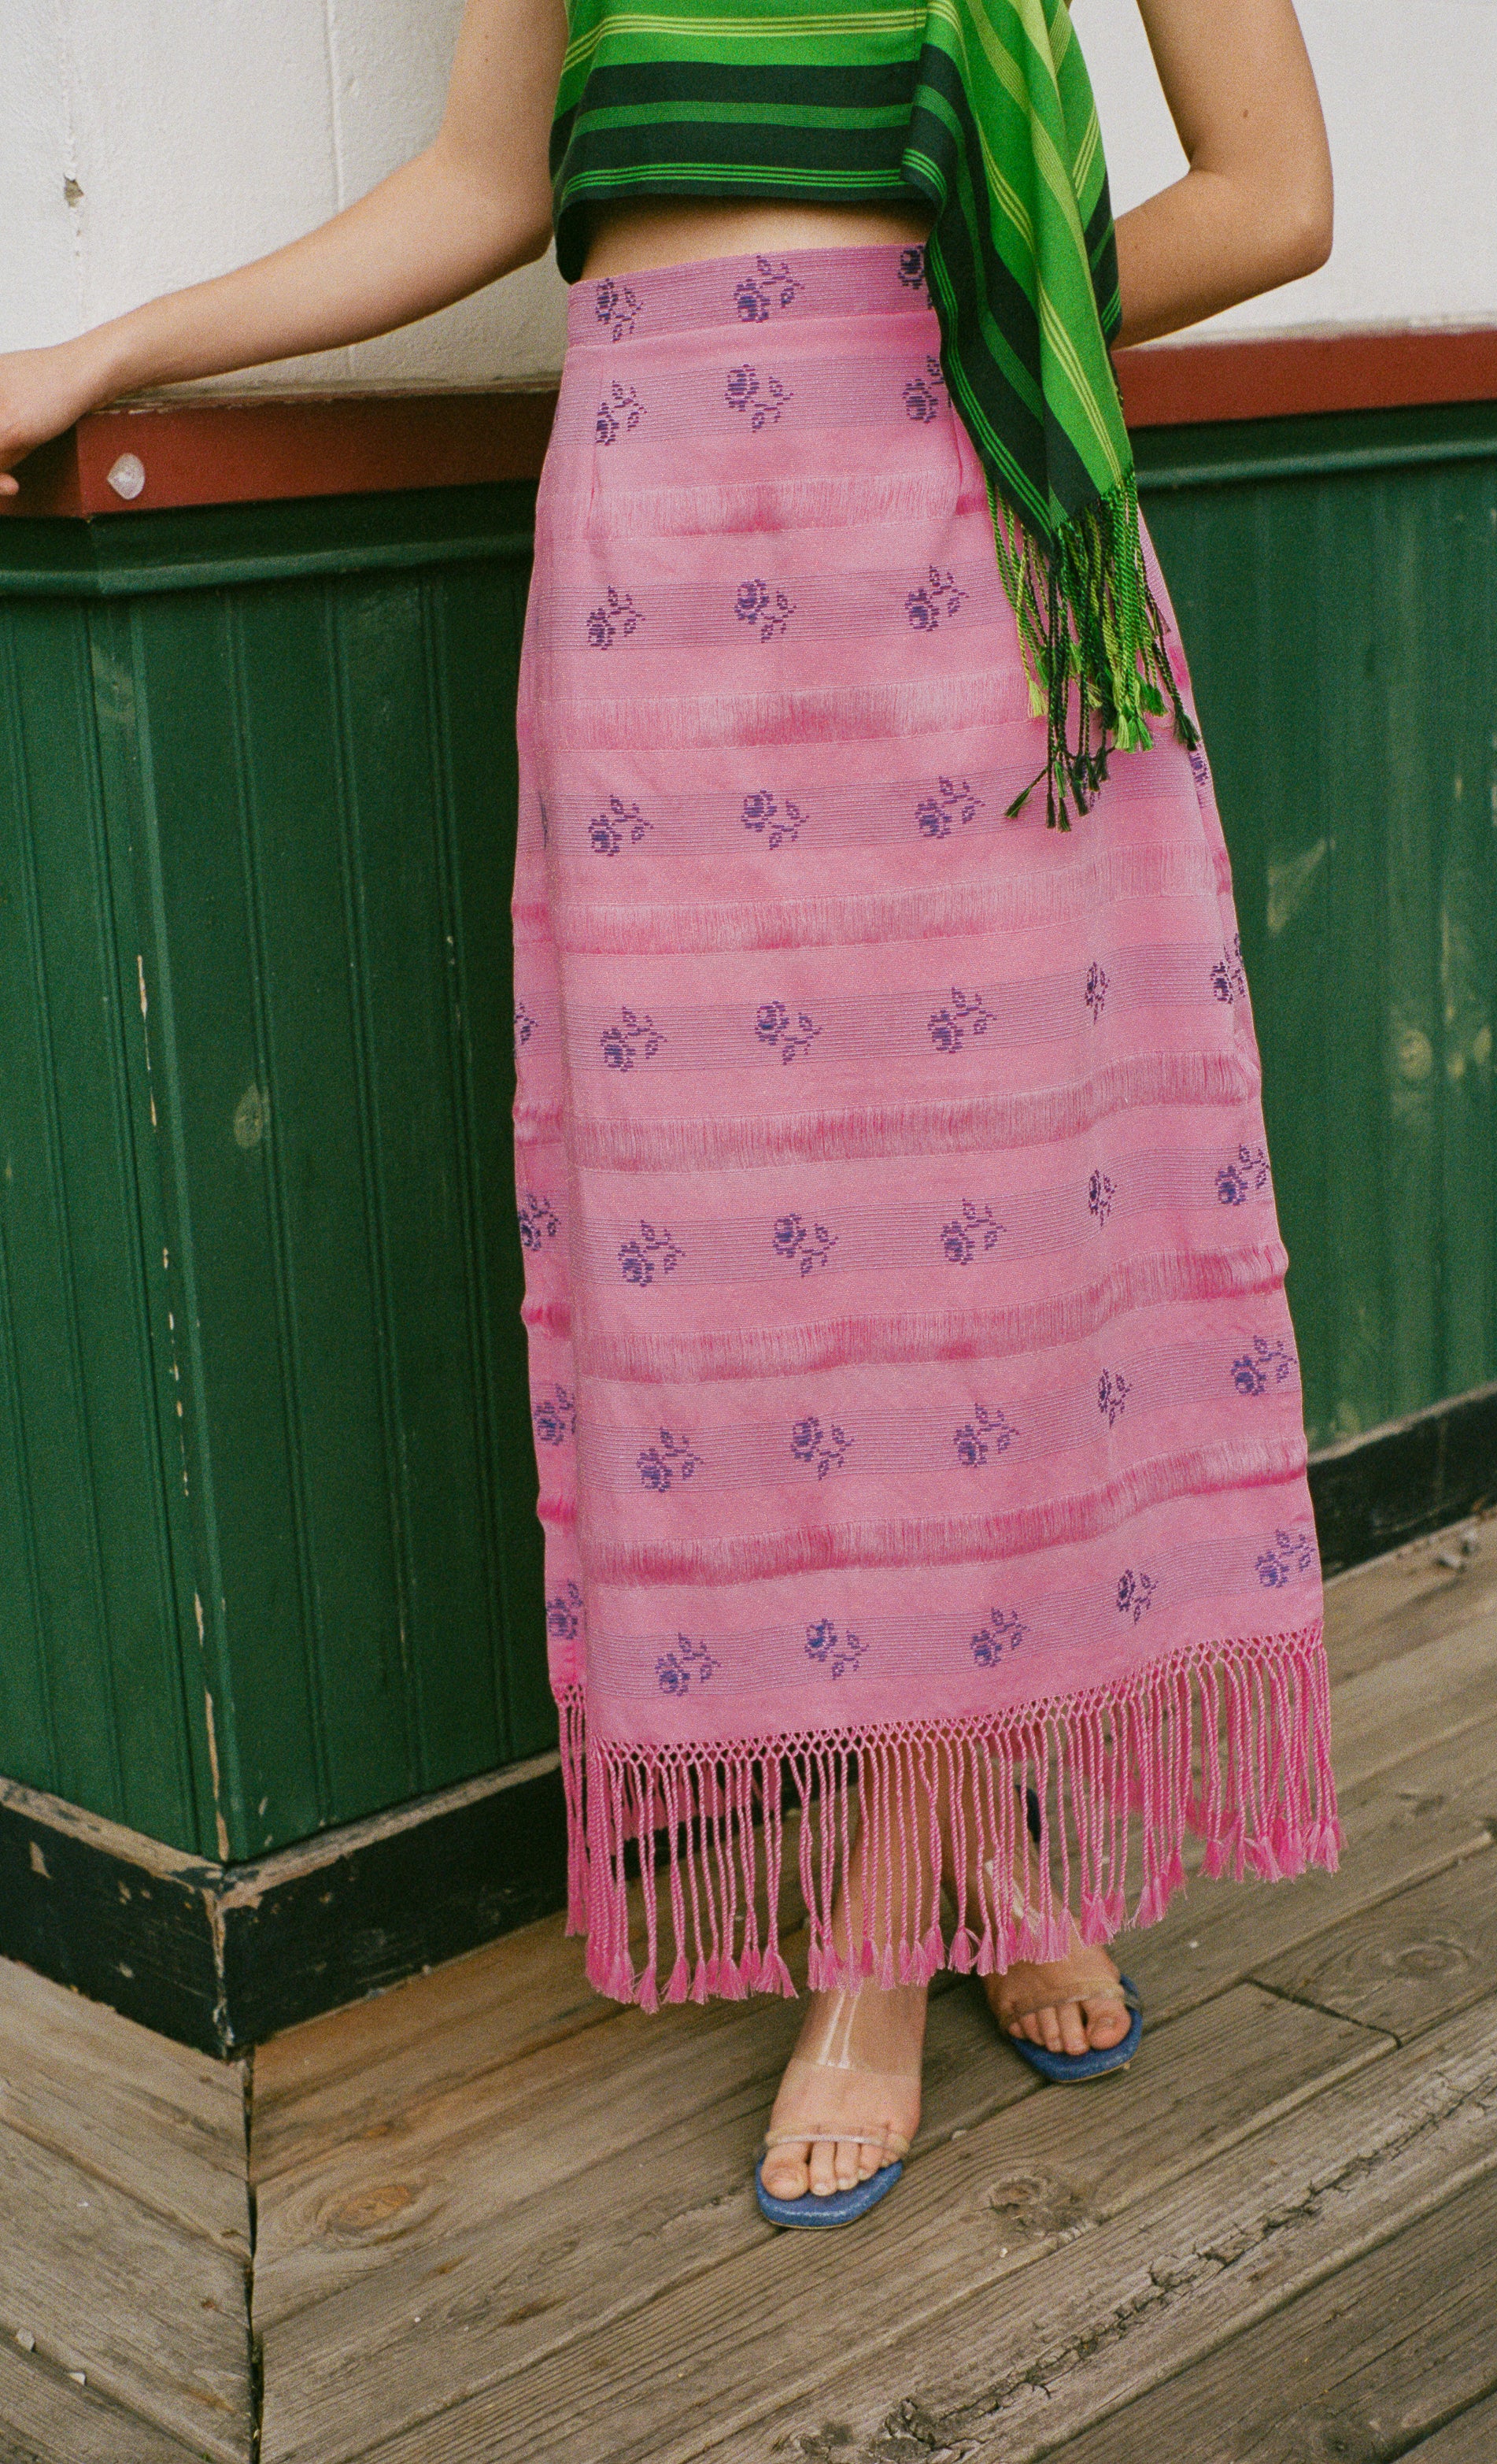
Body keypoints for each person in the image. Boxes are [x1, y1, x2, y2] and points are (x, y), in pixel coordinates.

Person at [0, 0, 1339, 2227]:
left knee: (981, 1253)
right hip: (666, 607)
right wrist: (99, 350)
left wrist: (960, 294)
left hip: (960, 565)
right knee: (755, 1277)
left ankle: (884, 1921)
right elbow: (481, 183)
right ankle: (975, 1834)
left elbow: (1277, 197)